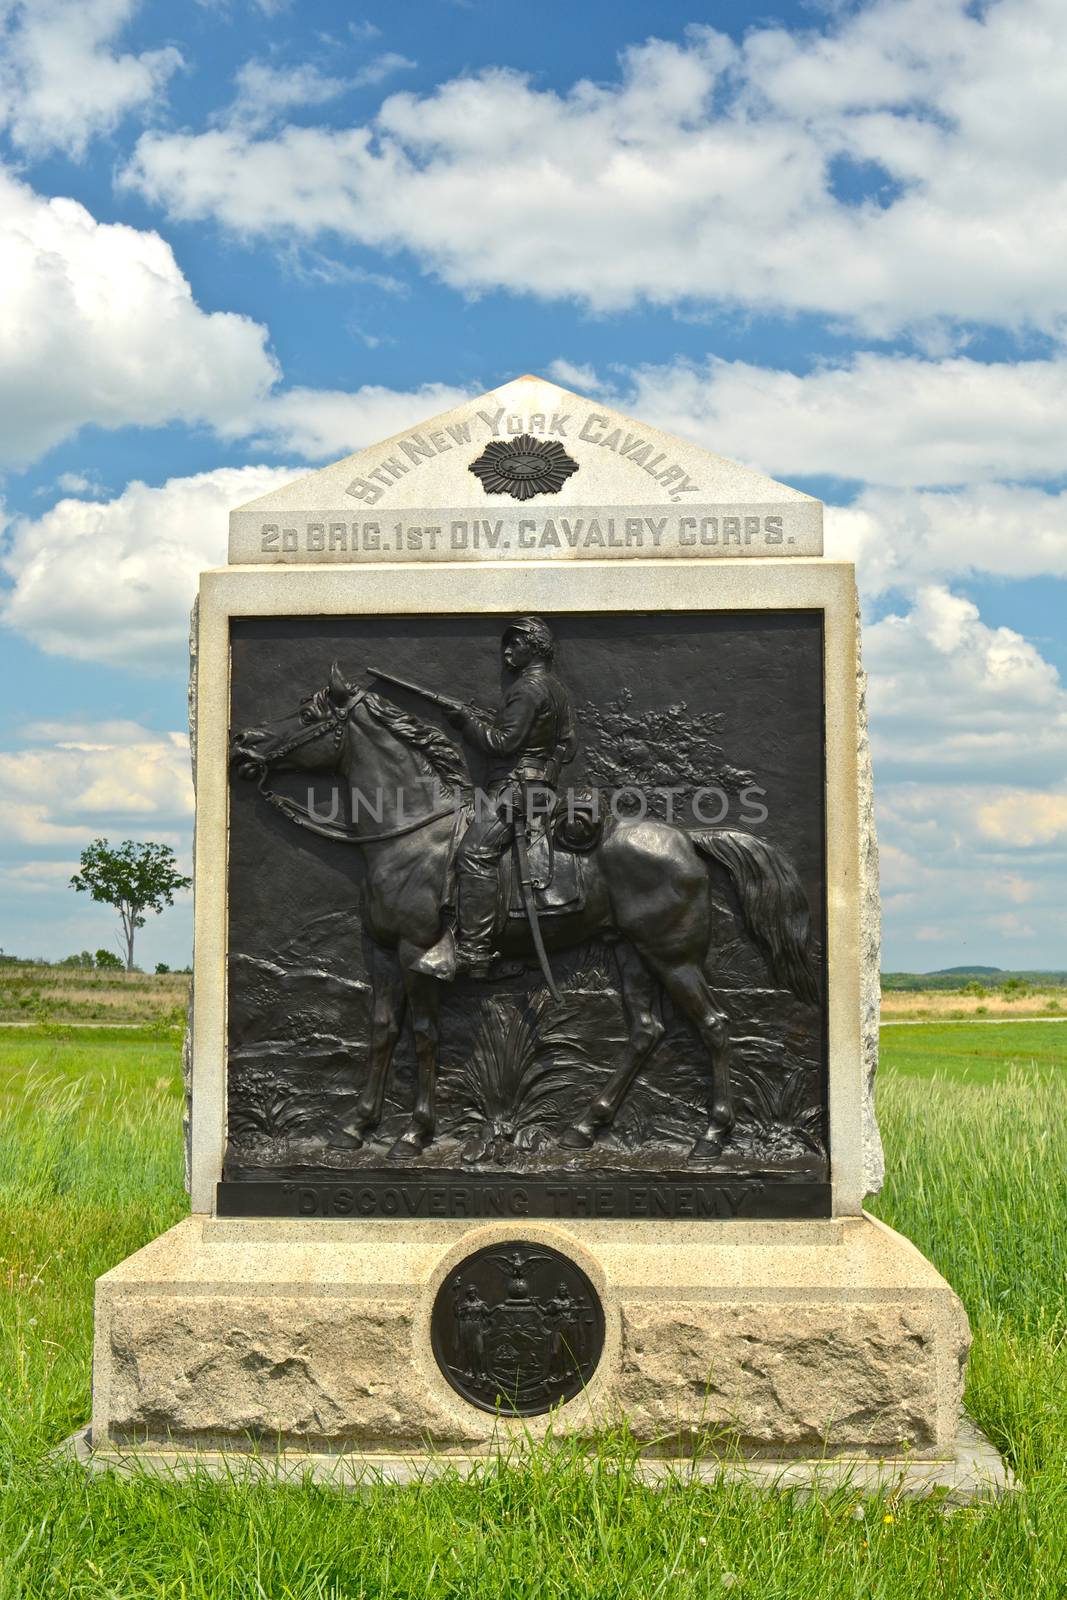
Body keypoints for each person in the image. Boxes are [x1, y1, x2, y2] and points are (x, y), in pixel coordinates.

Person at [446, 616, 576, 976]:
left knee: (474, 852)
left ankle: (473, 950)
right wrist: (545, 776)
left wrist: (465, 722)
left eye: (514, 644)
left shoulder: (526, 689)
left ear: (533, 646)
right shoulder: (557, 689)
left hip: (515, 790)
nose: (506, 652)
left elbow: (503, 744)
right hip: (538, 789)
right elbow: (568, 746)